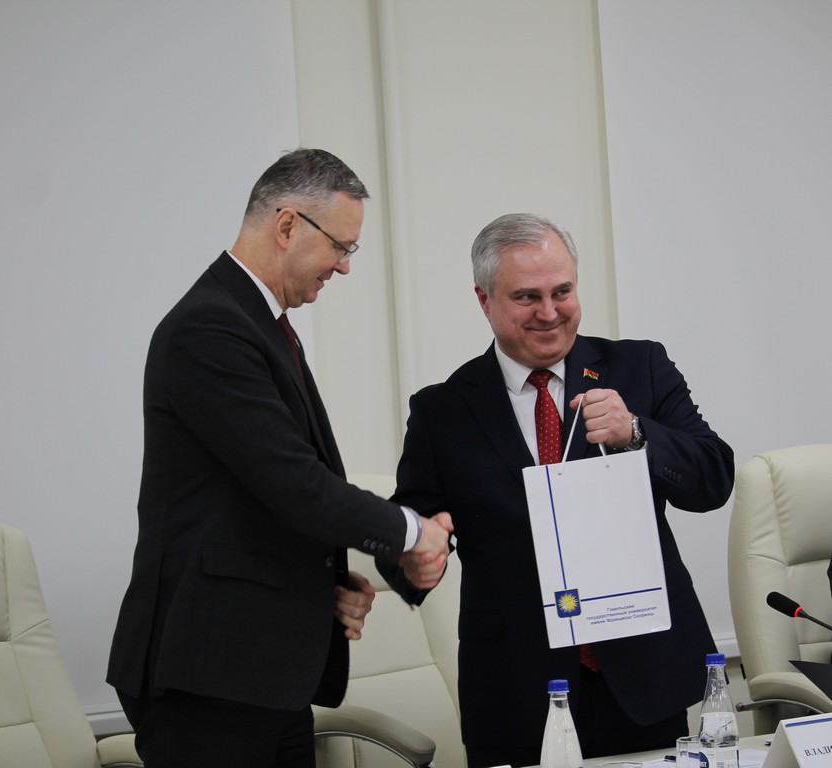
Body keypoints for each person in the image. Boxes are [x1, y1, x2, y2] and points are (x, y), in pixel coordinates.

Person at [107, 148, 452, 768]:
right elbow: (296, 485)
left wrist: (322, 587)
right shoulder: (210, 328)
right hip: (208, 677)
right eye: (340, 246)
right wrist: (410, 532)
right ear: (288, 224)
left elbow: (258, 504)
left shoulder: (259, 324)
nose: (345, 266)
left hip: (264, 675)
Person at [380, 213, 734, 767]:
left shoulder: (639, 366)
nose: (549, 312)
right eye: (527, 297)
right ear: (484, 300)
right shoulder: (443, 410)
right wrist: (416, 561)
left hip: (641, 676)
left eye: (562, 291)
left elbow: (713, 478)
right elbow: (408, 534)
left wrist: (637, 433)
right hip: (516, 689)